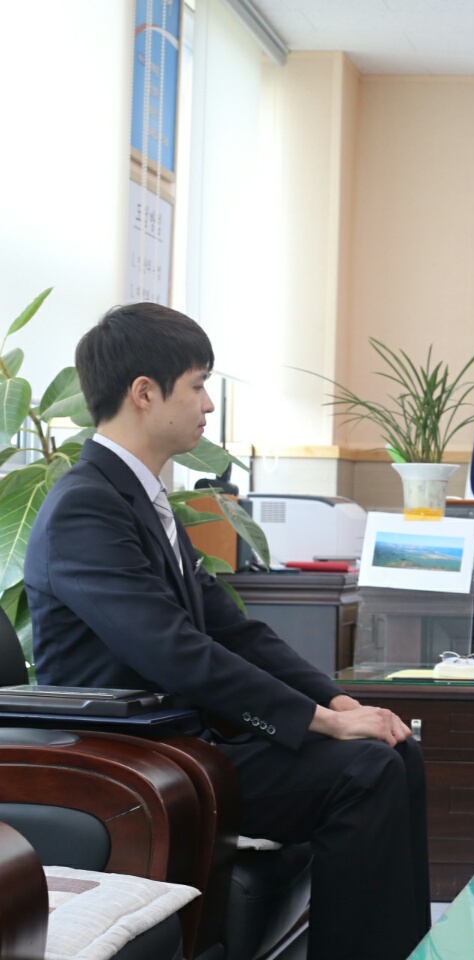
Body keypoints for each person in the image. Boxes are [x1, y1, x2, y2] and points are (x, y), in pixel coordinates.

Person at [26, 303, 431, 960]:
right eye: (197, 385)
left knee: (393, 748)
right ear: (144, 393)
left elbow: (233, 631)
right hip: (130, 756)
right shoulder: (85, 507)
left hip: (185, 739)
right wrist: (324, 724)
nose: (209, 405)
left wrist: (337, 701)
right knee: (363, 770)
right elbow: (176, 652)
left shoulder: (138, 498)